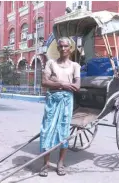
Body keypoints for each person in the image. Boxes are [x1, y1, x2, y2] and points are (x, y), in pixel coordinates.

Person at [39, 37, 81, 177]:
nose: (63, 49)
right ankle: (45, 164)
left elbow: (77, 86)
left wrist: (55, 81)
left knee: (63, 131)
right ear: (57, 48)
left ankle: (60, 163)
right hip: (52, 100)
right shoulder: (51, 63)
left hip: (66, 101)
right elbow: (44, 82)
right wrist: (63, 84)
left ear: (70, 48)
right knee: (47, 130)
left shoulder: (75, 66)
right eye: (60, 46)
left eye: (65, 46)